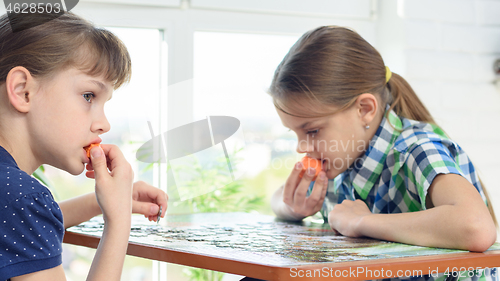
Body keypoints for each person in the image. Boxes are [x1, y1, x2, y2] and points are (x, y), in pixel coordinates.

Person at [269, 26, 497, 280]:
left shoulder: (418, 150)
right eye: (295, 133)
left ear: (365, 109)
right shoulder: (342, 160)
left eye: (311, 130)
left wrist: (361, 222)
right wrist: (293, 207)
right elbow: (278, 200)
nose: (301, 146)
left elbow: (476, 226)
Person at [0, 11, 168, 280]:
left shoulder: (12, 196)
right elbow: (25, 214)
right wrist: (118, 221)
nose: (104, 124)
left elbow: (17, 227)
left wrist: (103, 202)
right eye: (89, 96)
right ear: (23, 91)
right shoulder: (22, 197)